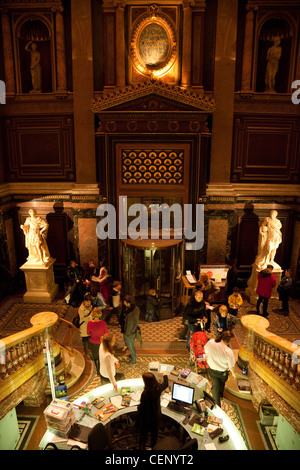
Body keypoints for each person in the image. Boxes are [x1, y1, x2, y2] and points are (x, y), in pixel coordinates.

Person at [136, 371, 168, 450]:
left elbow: (141, 407)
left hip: (145, 419)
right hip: (155, 417)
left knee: (143, 436)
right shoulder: (158, 388)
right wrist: (165, 375)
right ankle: (154, 447)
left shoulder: (145, 394)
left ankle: (142, 448)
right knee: (154, 435)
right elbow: (166, 383)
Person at [204, 331, 236, 408]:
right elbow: (231, 366)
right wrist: (234, 374)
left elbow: (205, 351)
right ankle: (217, 406)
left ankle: (218, 398)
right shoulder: (228, 351)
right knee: (220, 385)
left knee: (215, 387)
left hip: (213, 370)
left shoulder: (211, 342)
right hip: (223, 372)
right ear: (229, 341)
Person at [87, 307, 109, 375]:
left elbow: (88, 333)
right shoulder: (103, 323)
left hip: (93, 343)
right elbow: (107, 333)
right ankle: (102, 370)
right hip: (101, 343)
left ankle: (98, 370)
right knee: (101, 357)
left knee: (96, 357)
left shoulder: (89, 323)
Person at [123, 296, 140, 365]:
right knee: (132, 345)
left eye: (124, 302)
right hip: (134, 330)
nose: (123, 303)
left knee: (131, 347)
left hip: (129, 333)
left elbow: (129, 327)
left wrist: (126, 334)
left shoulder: (130, 315)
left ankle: (133, 361)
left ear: (128, 303)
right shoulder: (136, 309)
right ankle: (133, 357)